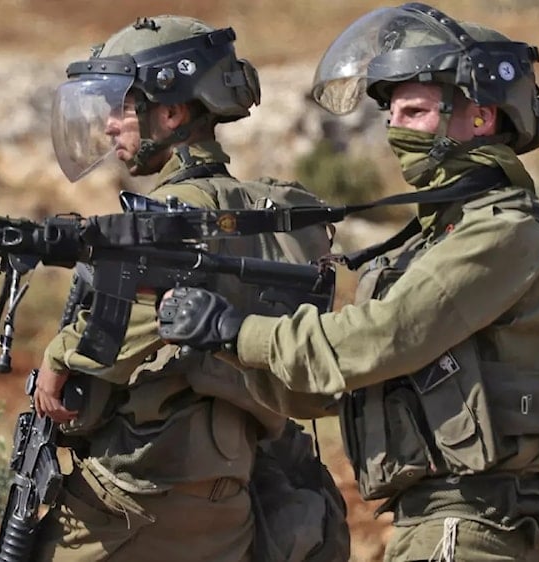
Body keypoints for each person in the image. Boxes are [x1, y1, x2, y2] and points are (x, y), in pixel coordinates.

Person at [157, 3, 539, 561]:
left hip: (467, 524)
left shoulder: (501, 235)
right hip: (439, 520)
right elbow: (346, 385)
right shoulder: (441, 235)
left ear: (481, 118)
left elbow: (378, 338)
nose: (396, 129)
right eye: (392, 114)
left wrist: (235, 331)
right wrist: (225, 343)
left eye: (416, 111)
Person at [31, 15, 346, 562]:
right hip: (229, 491)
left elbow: (122, 330)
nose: (109, 127)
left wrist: (60, 356)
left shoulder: (177, 222)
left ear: (172, 111)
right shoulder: (266, 213)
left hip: (143, 490)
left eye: (122, 108)